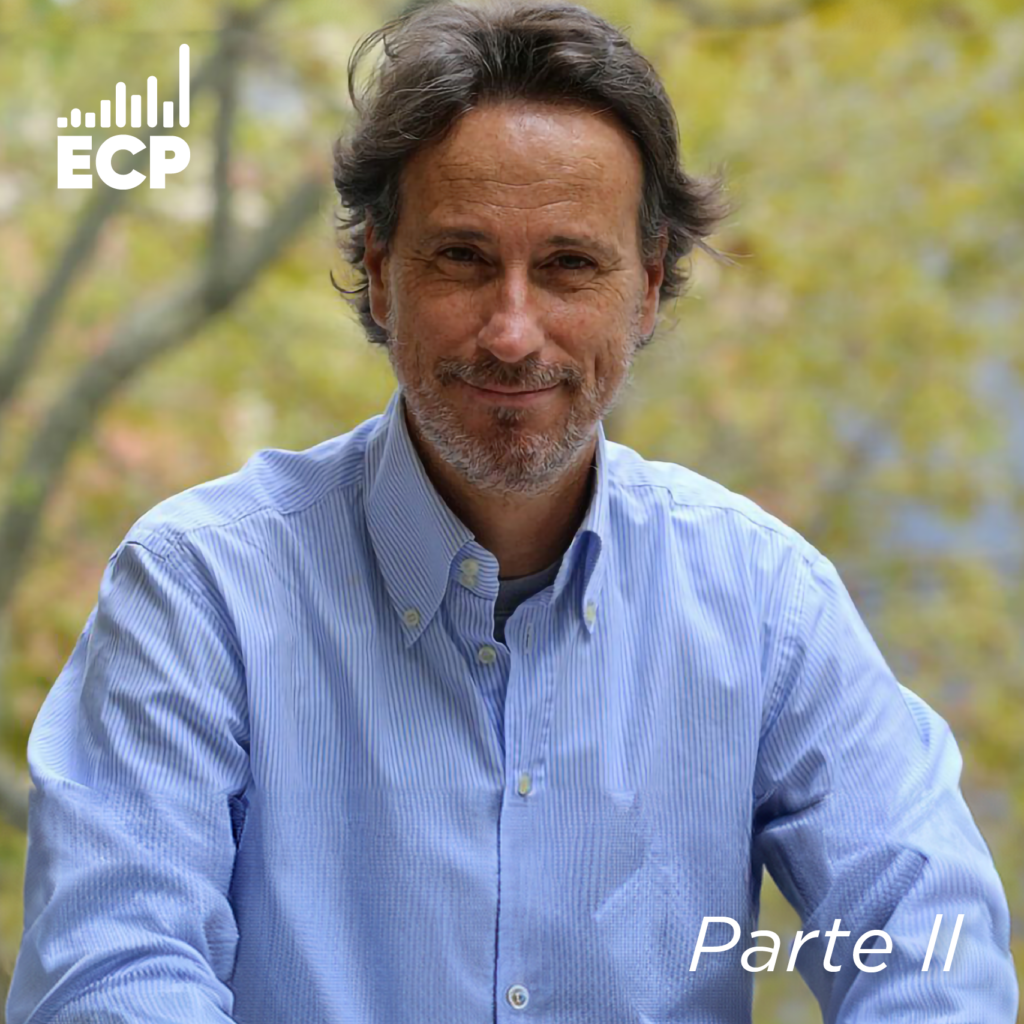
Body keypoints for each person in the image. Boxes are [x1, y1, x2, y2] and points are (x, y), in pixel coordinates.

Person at [6, 0, 1018, 1021]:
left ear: (648, 290)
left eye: (570, 265)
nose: (512, 331)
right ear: (380, 276)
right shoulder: (199, 591)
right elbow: (112, 977)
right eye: (462, 258)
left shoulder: (764, 604)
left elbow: (931, 945)